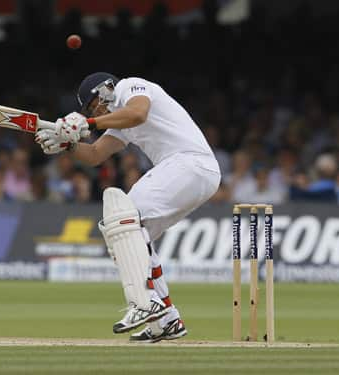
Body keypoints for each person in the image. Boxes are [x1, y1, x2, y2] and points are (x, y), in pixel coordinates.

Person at [35, 72, 221, 343]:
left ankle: (145, 302)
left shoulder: (130, 87)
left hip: (190, 163)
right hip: (191, 173)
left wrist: (87, 122)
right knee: (124, 233)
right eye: (90, 109)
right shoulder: (119, 120)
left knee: (125, 216)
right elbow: (96, 154)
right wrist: (67, 144)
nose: (96, 110)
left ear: (106, 89)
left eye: (94, 103)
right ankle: (166, 319)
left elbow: (138, 114)